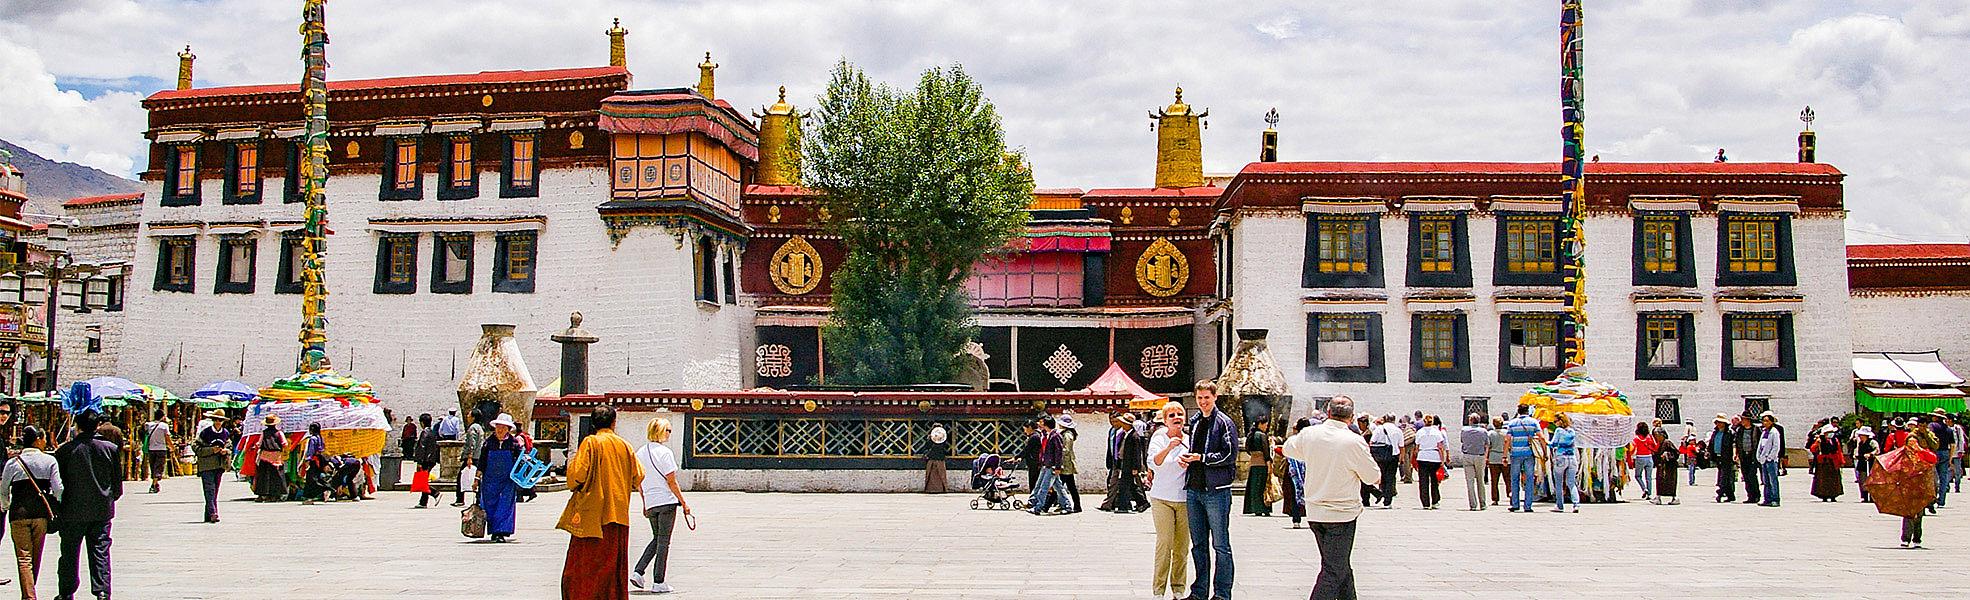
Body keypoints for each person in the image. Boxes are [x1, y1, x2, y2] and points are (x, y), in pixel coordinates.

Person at [1281, 395, 1379, 600]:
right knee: (1333, 571)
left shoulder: (1310, 434)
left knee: (1339, 565)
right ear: (1351, 418)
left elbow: (1289, 448)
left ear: (1328, 413)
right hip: (1341, 514)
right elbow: (1372, 476)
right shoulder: (1354, 441)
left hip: (1315, 512)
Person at [558, 405, 644, 600]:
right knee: (611, 566)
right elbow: (638, 476)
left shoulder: (590, 443)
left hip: (592, 515)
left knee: (584, 566)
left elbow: (576, 477)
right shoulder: (625, 445)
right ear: (614, 423)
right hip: (619, 514)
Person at [52, 410, 121, 600]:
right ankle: (102, 591)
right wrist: (108, 498)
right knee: (100, 551)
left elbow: (58, 484)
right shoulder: (110, 449)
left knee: (69, 552)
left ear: (78, 427)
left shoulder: (64, 451)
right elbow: (117, 484)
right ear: (97, 425)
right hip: (101, 510)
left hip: (72, 511)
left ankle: (66, 591)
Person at [1182, 379, 1238, 600]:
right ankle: (1199, 591)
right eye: (1200, 398)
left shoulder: (1224, 423)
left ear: (1215, 397)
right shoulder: (1195, 422)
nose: (1203, 402)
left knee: (1221, 545)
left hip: (1216, 490)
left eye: (1207, 397)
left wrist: (1202, 458)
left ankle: (1222, 594)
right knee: (1198, 545)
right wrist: (1188, 459)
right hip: (1194, 489)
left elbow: (1229, 454)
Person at [629, 418, 689, 593]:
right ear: (660, 431)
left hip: (651, 502)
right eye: (668, 430)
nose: (670, 434)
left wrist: (645, 502)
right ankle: (659, 581)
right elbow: (672, 481)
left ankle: (638, 572)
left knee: (657, 539)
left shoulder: (640, 453)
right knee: (664, 542)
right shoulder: (665, 453)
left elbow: (638, 482)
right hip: (666, 502)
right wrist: (684, 503)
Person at [5, 426, 60, 599]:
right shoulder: (49, 461)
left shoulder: (13, 463)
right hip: (40, 514)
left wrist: (5, 505)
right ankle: (30, 592)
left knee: (23, 557)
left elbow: (3, 488)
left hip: (18, 515)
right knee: (36, 555)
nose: (45, 442)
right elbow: (58, 489)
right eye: (44, 438)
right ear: (37, 439)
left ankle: (29, 595)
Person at [1145, 401, 1190, 600]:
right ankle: (1158, 589)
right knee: (1164, 544)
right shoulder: (1159, 438)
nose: (1176, 418)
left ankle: (1179, 588)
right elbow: (1154, 462)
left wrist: (1190, 462)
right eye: (1171, 415)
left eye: (1179, 414)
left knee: (1181, 547)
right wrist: (1170, 447)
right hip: (1162, 497)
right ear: (1165, 420)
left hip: (1185, 498)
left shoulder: (1190, 439)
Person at [477, 414, 528, 544]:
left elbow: (521, 460)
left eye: (503, 427)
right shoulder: (488, 443)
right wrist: (476, 478)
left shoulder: (514, 443)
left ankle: (501, 531)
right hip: (490, 480)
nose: (500, 430)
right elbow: (482, 462)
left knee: (504, 505)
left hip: (507, 480)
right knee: (490, 505)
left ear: (508, 429)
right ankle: (494, 530)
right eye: (498, 427)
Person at [194, 413, 235, 523]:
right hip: (206, 465)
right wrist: (211, 450)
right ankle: (213, 513)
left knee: (215, 491)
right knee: (209, 490)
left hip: (219, 465)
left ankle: (209, 514)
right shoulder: (205, 432)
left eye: (220, 420)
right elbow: (196, 447)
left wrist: (226, 451)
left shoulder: (225, 433)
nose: (218, 422)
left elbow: (229, 445)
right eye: (216, 419)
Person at [1504, 406, 1541, 512]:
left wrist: (1505, 456)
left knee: (1514, 479)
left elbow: (1507, 440)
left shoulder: (1512, 423)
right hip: (1529, 454)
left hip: (1515, 454)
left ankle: (1515, 504)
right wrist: (1544, 452)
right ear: (1528, 411)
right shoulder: (1533, 422)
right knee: (1529, 479)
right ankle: (1528, 506)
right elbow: (1541, 437)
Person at [1279, 418, 1311, 527]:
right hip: (1309, 471)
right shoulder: (1312, 440)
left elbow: (1285, 451)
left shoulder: (1292, 439)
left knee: (1294, 494)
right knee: (1311, 494)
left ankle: (1296, 520)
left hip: (1293, 471)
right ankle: (1311, 517)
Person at [1412, 414, 1447, 510]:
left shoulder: (1420, 432)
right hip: (1434, 457)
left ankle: (1425, 503)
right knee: (1434, 481)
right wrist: (1442, 460)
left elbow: (1417, 447)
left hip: (1423, 457)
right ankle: (1435, 501)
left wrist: (1416, 455)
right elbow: (1440, 447)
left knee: (1423, 481)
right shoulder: (1436, 432)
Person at [1548, 413, 1581, 513]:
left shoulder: (1558, 431)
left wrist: (1543, 440)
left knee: (1558, 483)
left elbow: (1553, 444)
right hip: (1571, 458)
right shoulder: (1572, 431)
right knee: (1571, 483)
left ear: (1560, 421)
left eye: (1555, 421)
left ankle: (1559, 505)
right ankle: (1576, 504)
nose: (1555, 423)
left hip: (1560, 458)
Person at [1367, 415, 1400, 509]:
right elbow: (1401, 445)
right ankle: (1388, 501)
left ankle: (1383, 493)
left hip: (1380, 456)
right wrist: (1401, 458)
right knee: (1391, 478)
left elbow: (1372, 442)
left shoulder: (1379, 429)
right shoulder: (1397, 430)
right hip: (1393, 456)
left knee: (1382, 476)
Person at [253, 415, 288, 503]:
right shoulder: (279, 433)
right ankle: (275, 495)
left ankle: (262, 494)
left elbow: (259, 444)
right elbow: (285, 443)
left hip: (265, 456)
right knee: (276, 476)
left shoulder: (264, 433)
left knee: (263, 476)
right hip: (276, 457)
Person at [1458, 413, 1489, 511]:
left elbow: (1462, 441)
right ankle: (1483, 503)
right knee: (1481, 481)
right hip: (1480, 456)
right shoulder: (1483, 431)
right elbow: (1487, 444)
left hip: (1467, 455)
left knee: (1470, 482)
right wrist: (1486, 456)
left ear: (1470, 420)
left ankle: (1473, 505)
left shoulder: (1464, 430)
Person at [1242, 419, 1272, 517]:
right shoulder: (1262, 436)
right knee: (1262, 486)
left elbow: (1247, 449)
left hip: (1254, 462)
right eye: (1265, 425)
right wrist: (1268, 462)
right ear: (1260, 424)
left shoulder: (1251, 435)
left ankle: (1255, 508)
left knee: (1254, 486)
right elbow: (1265, 450)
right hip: (1262, 463)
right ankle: (1264, 507)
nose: (1266, 427)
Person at [456, 414, 486, 508]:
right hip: (478, 455)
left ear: (473, 417)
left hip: (472, 457)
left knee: (460, 477)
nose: (467, 416)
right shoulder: (480, 428)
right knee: (477, 477)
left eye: (469, 415)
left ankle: (460, 499)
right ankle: (479, 498)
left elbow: (471, 443)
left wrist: (469, 456)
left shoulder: (472, 428)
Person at [411, 413, 441, 509]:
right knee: (423, 480)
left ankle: (435, 493)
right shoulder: (432, 432)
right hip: (431, 459)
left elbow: (422, 447)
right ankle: (423, 502)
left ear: (422, 423)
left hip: (425, 460)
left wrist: (419, 461)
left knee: (423, 481)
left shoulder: (424, 432)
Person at [1927, 410, 1955, 509]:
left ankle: (1932, 498)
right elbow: (1952, 445)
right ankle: (1941, 500)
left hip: (1934, 453)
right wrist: (1950, 458)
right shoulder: (1949, 429)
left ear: (1936, 417)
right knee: (1943, 477)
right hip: (1945, 453)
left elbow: (1930, 438)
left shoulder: (1932, 426)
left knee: (1933, 477)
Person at [1809, 424, 1844, 502]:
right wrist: (1817, 444)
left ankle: (1833, 495)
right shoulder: (1820, 440)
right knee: (1823, 479)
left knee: (1834, 479)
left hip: (1833, 462)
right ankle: (1824, 495)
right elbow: (1813, 449)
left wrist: (1841, 461)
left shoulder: (1835, 440)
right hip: (1823, 462)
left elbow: (1838, 450)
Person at [1708, 414, 1738, 502]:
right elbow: (1711, 443)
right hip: (1718, 456)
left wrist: (1734, 455)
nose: (1718, 424)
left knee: (1724, 476)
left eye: (1720, 422)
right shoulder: (1715, 432)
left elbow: (1734, 444)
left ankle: (1720, 493)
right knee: (1725, 476)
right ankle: (1730, 495)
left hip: (1727, 457)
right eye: (1717, 422)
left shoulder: (1730, 433)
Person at [1057, 414, 1083, 514]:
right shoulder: (1067, 433)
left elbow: (1066, 450)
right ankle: (1077, 506)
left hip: (1066, 464)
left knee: (1058, 485)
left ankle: (1046, 505)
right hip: (1067, 464)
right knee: (1071, 486)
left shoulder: (1067, 435)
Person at [1757, 413, 1783, 507]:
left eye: (1767, 421)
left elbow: (1776, 446)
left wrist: (1770, 457)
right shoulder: (1764, 432)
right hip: (1763, 459)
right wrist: (1759, 456)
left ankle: (1775, 499)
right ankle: (1767, 499)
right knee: (1766, 480)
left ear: (1771, 422)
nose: (1765, 422)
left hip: (1771, 460)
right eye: (1763, 421)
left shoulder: (1774, 432)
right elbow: (1760, 445)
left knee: (1773, 480)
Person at [141, 413, 171, 495]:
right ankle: (153, 485)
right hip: (161, 449)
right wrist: (171, 446)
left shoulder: (149, 425)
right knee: (159, 467)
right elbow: (167, 437)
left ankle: (155, 484)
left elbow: (144, 432)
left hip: (151, 449)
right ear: (162, 417)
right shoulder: (164, 426)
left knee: (153, 466)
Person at [1735, 414, 1762, 505]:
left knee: (1752, 475)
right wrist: (1737, 454)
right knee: (1746, 476)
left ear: (1748, 420)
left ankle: (1756, 495)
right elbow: (1738, 442)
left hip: (1752, 455)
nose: (1742, 421)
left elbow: (1759, 442)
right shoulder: (1740, 430)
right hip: (1744, 456)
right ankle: (1750, 495)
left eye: (1743, 419)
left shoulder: (1756, 430)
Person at [1629, 422, 1657, 501]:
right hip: (1649, 457)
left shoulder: (1636, 438)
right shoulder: (1650, 437)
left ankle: (1644, 489)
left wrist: (1629, 456)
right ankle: (1649, 494)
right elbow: (1655, 446)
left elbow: (1632, 449)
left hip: (1640, 457)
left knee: (1638, 476)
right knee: (1649, 477)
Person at [1651, 429, 1680, 505]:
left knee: (1670, 482)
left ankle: (1674, 497)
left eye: (1657, 435)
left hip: (1669, 467)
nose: (1656, 437)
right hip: (1662, 466)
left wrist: (1667, 455)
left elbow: (1676, 453)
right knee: (1660, 481)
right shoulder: (1659, 443)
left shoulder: (1667, 442)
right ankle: (1658, 497)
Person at [1485, 416, 1508, 507]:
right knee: (1507, 478)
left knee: (1494, 480)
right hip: (1505, 457)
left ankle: (1495, 499)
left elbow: (1488, 446)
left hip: (1493, 457)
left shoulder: (1490, 434)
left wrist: (1486, 458)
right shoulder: (1506, 433)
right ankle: (1510, 494)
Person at [1853, 427, 1879, 503]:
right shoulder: (1860, 443)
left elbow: (1877, 450)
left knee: (1870, 480)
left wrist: (1870, 454)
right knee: (1862, 480)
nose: (1860, 436)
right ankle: (1864, 496)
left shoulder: (1872, 442)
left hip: (1870, 463)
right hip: (1862, 463)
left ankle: (1871, 496)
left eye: (1862, 435)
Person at [924, 422, 949, 494]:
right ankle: (941, 488)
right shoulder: (940, 437)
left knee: (932, 474)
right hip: (939, 458)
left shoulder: (940, 437)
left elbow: (927, 446)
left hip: (932, 458)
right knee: (940, 474)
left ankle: (931, 489)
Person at [1018, 422, 1042, 492]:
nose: (1024, 431)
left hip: (1034, 462)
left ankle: (1033, 499)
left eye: (1025, 429)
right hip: (1033, 462)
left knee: (1033, 481)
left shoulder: (1034, 437)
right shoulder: (1035, 436)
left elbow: (1027, 449)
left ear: (1030, 428)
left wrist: (1017, 457)